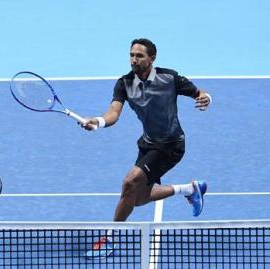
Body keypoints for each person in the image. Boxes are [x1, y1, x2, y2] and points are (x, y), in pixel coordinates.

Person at [83, 38, 210, 258]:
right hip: (148, 144)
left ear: (152, 58)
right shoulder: (124, 83)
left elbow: (199, 93)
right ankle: (190, 189)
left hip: (171, 145)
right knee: (137, 198)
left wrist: (206, 98)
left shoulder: (169, 78)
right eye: (131, 55)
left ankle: (110, 237)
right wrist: (98, 121)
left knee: (129, 181)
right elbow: (113, 113)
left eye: (139, 56)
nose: (134, 59)